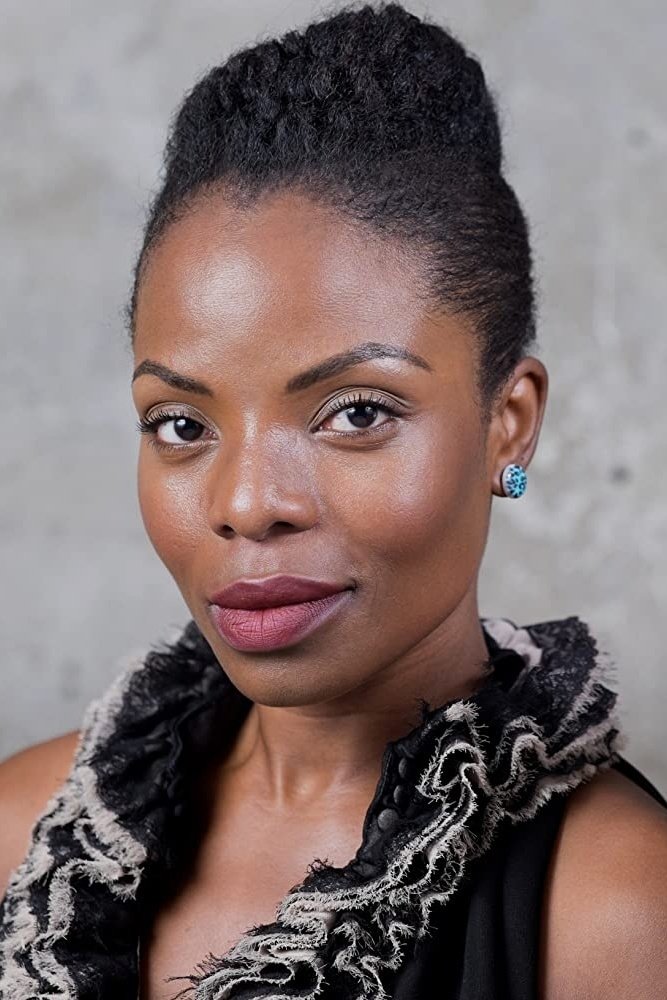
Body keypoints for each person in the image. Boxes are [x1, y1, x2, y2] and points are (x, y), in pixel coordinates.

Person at [1, 2, 666, 998]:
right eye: (180, 424)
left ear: (509, 422)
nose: (246, 502)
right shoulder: (21, 834)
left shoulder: (615, 915)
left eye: (355, 413)